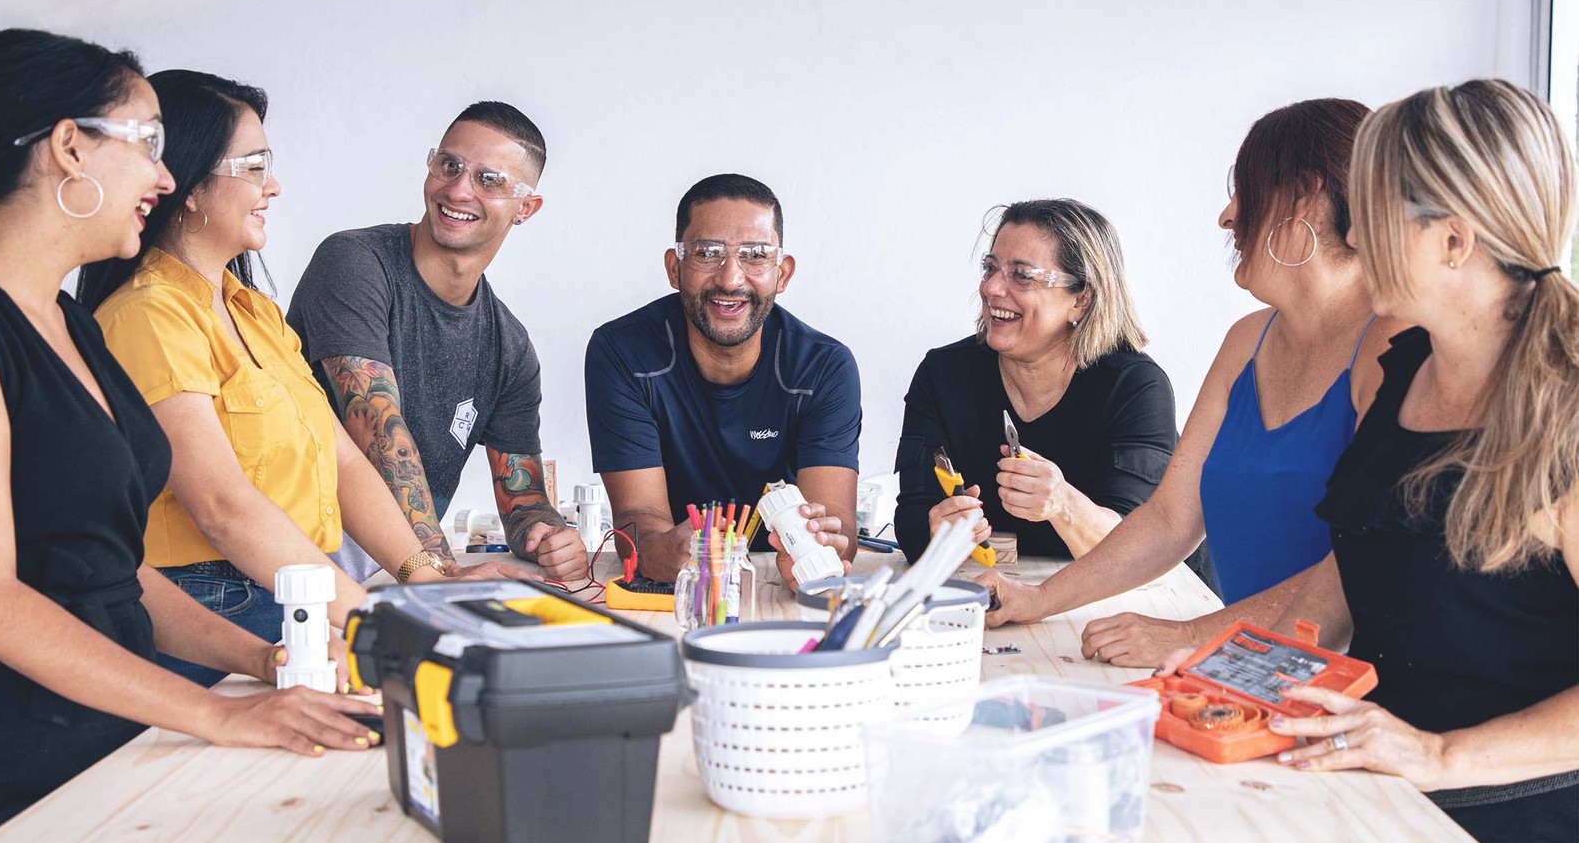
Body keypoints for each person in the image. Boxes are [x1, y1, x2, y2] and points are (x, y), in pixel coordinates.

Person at [0, 30, 377, 843]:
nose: (163, 172)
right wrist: (217, 715)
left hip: (107, 744)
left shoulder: (71, 324)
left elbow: (111, 572)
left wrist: (264, 664)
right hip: (10, 779)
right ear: (68, 148)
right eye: (148, 144)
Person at [1221, 80, 1577, 843]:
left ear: (1453, 241)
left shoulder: (1565, 414)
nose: (1349, 236)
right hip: (1378, 812)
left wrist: (1442, 754)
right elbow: (1353, 573)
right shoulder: (1403, 370)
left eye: (1371, 214)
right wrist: (1225, 674)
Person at [79, 72, 518, 688]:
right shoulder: (148, 315)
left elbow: (345, 461)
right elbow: (223, 508)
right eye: (255, 167)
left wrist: (425, 580)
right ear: (192, 184)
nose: (273, 187)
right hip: (211, 619)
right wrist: (373, 621)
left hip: (292, 601)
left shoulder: (251, 310)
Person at [973, 99, 1403, 662]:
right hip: (1251, 672)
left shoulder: (1392, 342)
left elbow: (1363, 567)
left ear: (1303, 196)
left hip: (1355, 695)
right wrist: (1038, 600)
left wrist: (1191, 636)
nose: (1227, 216)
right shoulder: (1246, 340)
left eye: (1244, 188)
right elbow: (1171, 519)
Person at [287, 102, 585, 584]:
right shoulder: (355, 264)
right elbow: (380, 433)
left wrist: (551, 536)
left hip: (385, 576)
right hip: (282, 561)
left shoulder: (509, 348)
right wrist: (440, 572)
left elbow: (523, 499)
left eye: (489, 180)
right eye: (449, 165)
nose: (458, 189)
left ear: (525, 208)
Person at [894, 199, 1203, 575]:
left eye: (1021, 275)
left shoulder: (1135, 387)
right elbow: (912, 519)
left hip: (1146, 602)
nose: (991, 288)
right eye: (990, 268)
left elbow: (1144, 550)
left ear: (1082, 299)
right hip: (1005, 590)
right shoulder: (943, 375)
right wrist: (936, 531)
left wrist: (1064, 505)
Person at [585, 173, 860, 588]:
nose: (730, 279)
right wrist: (662, 551)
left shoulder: (824, 366)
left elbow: (837, 526)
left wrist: (821, 550)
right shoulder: (623, 353)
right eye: (707, 253)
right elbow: (638, 523)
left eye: (754, 254)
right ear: (674, 268)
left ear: (782, 274)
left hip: (779, 580)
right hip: (681, 587)